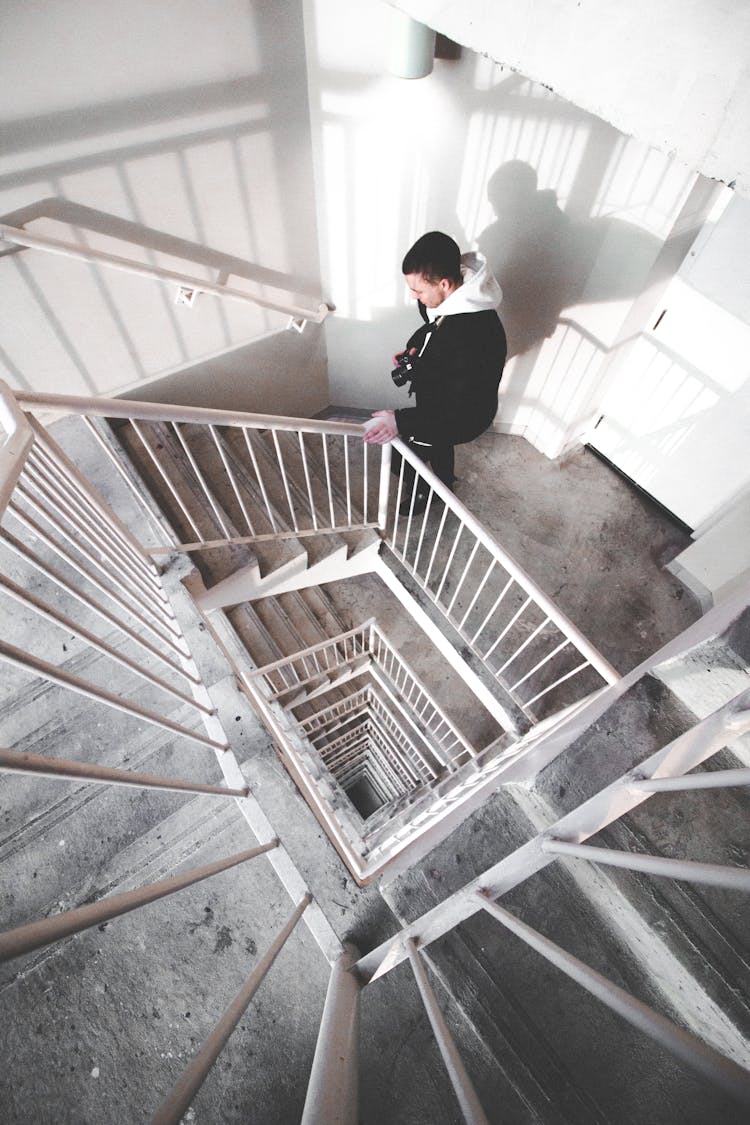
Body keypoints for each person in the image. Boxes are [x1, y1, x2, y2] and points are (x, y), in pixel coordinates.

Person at [364, 231, 507, 514]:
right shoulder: (452, 295)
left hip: (464, 414)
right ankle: (445, 485)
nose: (414, 296)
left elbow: (459, 407)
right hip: (439, 397)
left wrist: (400, 421)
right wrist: (414, 348)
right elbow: (433, 326)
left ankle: (424, 493)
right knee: (437, 442)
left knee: (399, 456)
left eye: (418, 291)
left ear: (443, 283)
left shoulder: (476, 337)